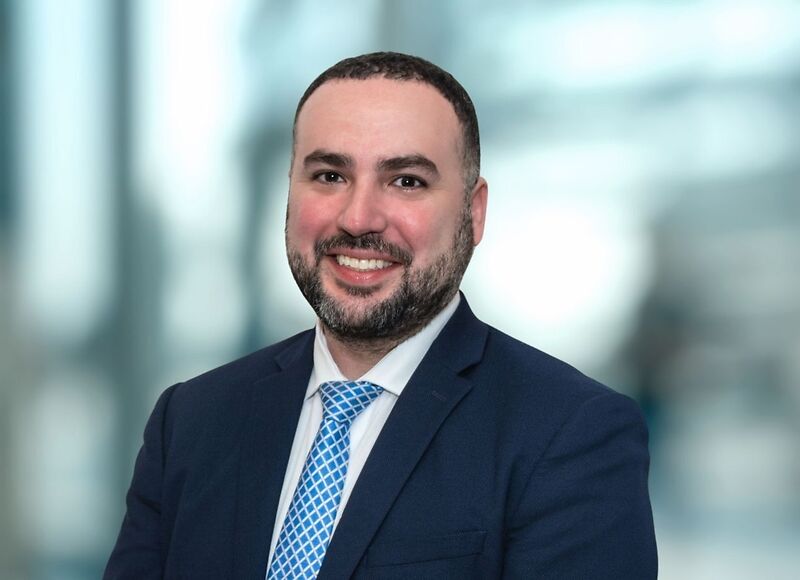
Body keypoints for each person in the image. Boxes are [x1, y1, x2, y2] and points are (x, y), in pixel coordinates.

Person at [105, 52, 657, 579]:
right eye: (329, 175)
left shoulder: (571, 435)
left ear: (474, 212)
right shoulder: (192, 421)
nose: (358, 217)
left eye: (406, 181)